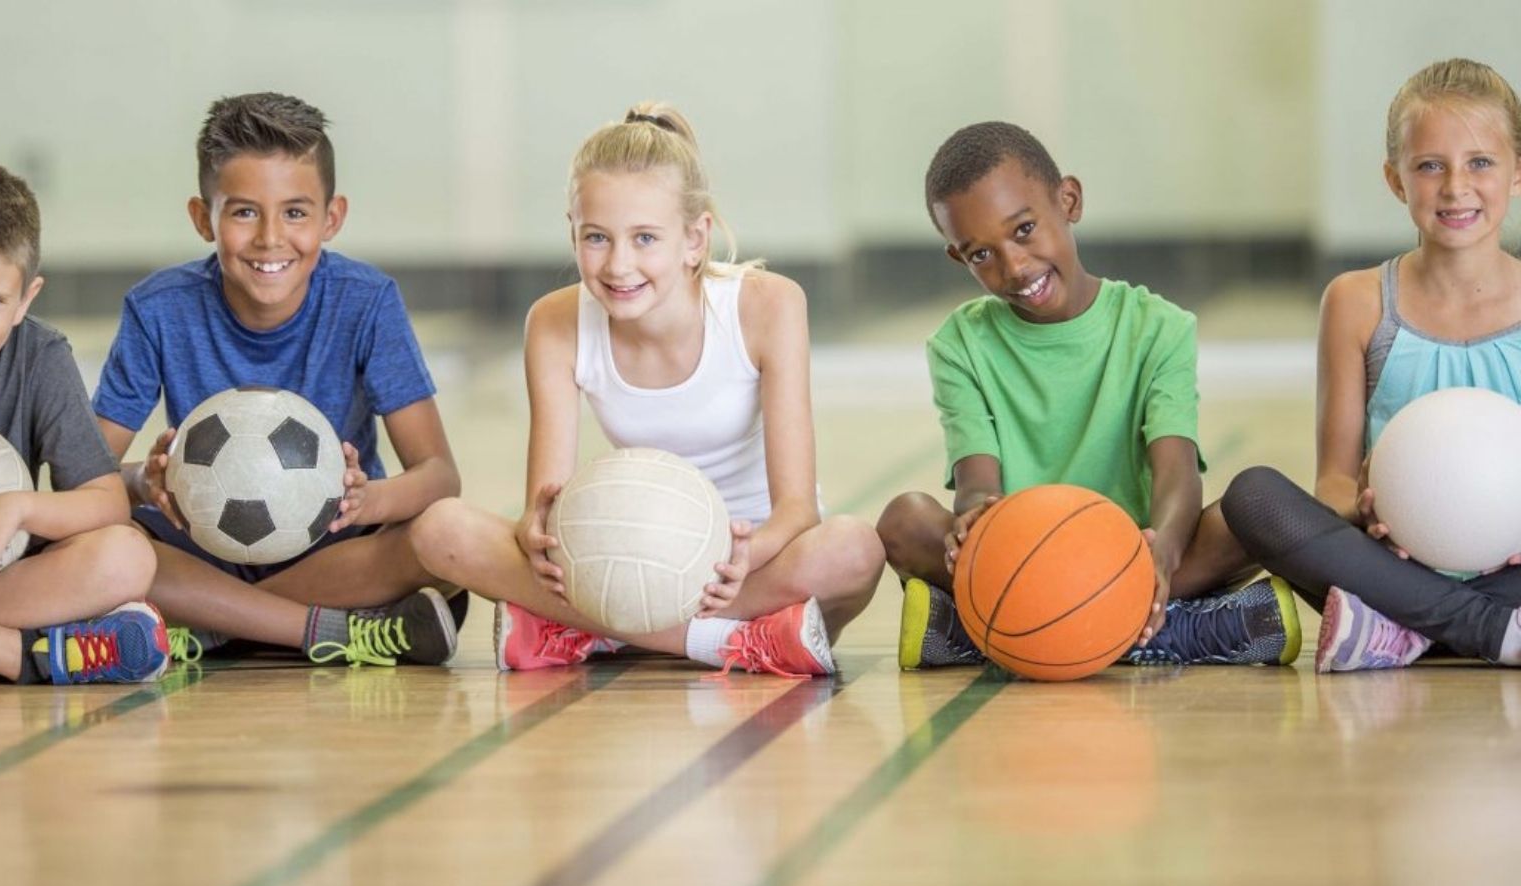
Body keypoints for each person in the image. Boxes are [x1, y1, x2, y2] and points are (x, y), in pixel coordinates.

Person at [411, 103, 885, 677]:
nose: (618, 265)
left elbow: (796, 512)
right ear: (572, 232)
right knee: (440, 530)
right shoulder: (554, 323)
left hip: (753, 562)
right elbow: (545, 501)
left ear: (694, 238)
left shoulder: (769, 305)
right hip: (626, 552)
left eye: (644, 238)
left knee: (855, 550)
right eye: (596, 238)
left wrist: (741, 558)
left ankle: (597, 633)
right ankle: (732, 643)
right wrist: (534, 533)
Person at [877, 121, 1301, 670]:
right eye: (981, 255)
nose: (1014, 266)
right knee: (904, 521)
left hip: (1134, 555)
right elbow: (978, 483)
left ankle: (996, 632)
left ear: (1068, 200)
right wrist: (975, 520)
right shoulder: (959, 344)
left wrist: (1163, 552)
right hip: (1021, 557)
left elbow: (1176, 471)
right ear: (959, 258)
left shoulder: (1159, 327)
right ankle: (1167, 630)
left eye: (1025, 229)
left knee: (1254, 510)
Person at [93, 92, 463, 668]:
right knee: (104, 547)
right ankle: (331, 630)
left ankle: (215, 626)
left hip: (332, 549)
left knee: (441, 535)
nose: (270, 238)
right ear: (202, 217)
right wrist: (146, 480)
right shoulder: (158, 310)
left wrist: (366, 503)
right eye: (243, 212)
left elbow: (439, 475)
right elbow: (84, 482)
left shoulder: (365, 302)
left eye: (295, 212)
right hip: (199, 548)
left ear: (331, 218)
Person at [1223, 58, 1521, 673]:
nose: (1455, 187)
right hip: (1389, 563)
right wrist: (1366, 511)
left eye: (1481, 163)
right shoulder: (1357, 301)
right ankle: (1487, 632)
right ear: (1396, 179)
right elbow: (1332, 481)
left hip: (1509, 571)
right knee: (1253, 496)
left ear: (1517, 172)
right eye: (1429, 165)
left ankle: (1403, 630)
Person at [0, 160, 167, 685]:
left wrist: (13, 509)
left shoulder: (39, 356)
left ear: (24, 300)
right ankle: (29, 656)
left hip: (1, 583)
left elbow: (106, 502)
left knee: (126, 556)